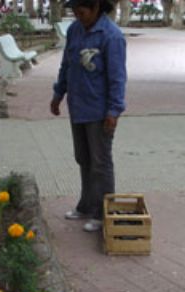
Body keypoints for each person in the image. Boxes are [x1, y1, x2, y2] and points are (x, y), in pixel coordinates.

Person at [51, 0, 127, 232]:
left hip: (100, 112)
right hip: (78, 108)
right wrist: (58, 94)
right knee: (83, 159)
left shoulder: (111, 36)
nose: (77, 15)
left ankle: (102, 213)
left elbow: (118, 78)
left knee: (100, 163)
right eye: (74, 11)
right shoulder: (74, 30)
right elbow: (67, 65)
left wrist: (114, 111)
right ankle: (85, 205)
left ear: (96, 7)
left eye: (81, 11)